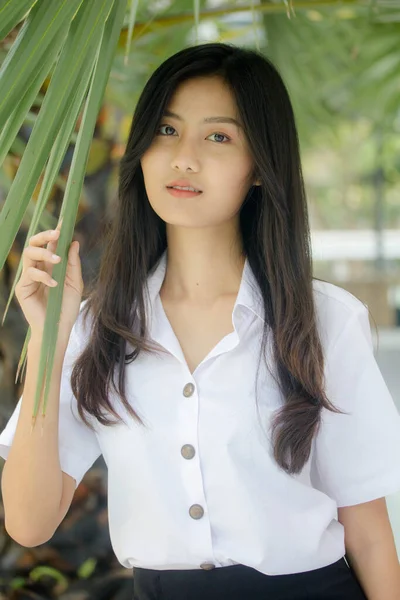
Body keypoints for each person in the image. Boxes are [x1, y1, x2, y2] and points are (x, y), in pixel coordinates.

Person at [0, 42, 399, 600]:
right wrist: (48, 339)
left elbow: (369, 532)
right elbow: (28, 522)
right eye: (165, 131)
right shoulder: (95, 327)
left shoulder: (324, 322)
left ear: (260, 165)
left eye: (217, 136)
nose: (182, 157)